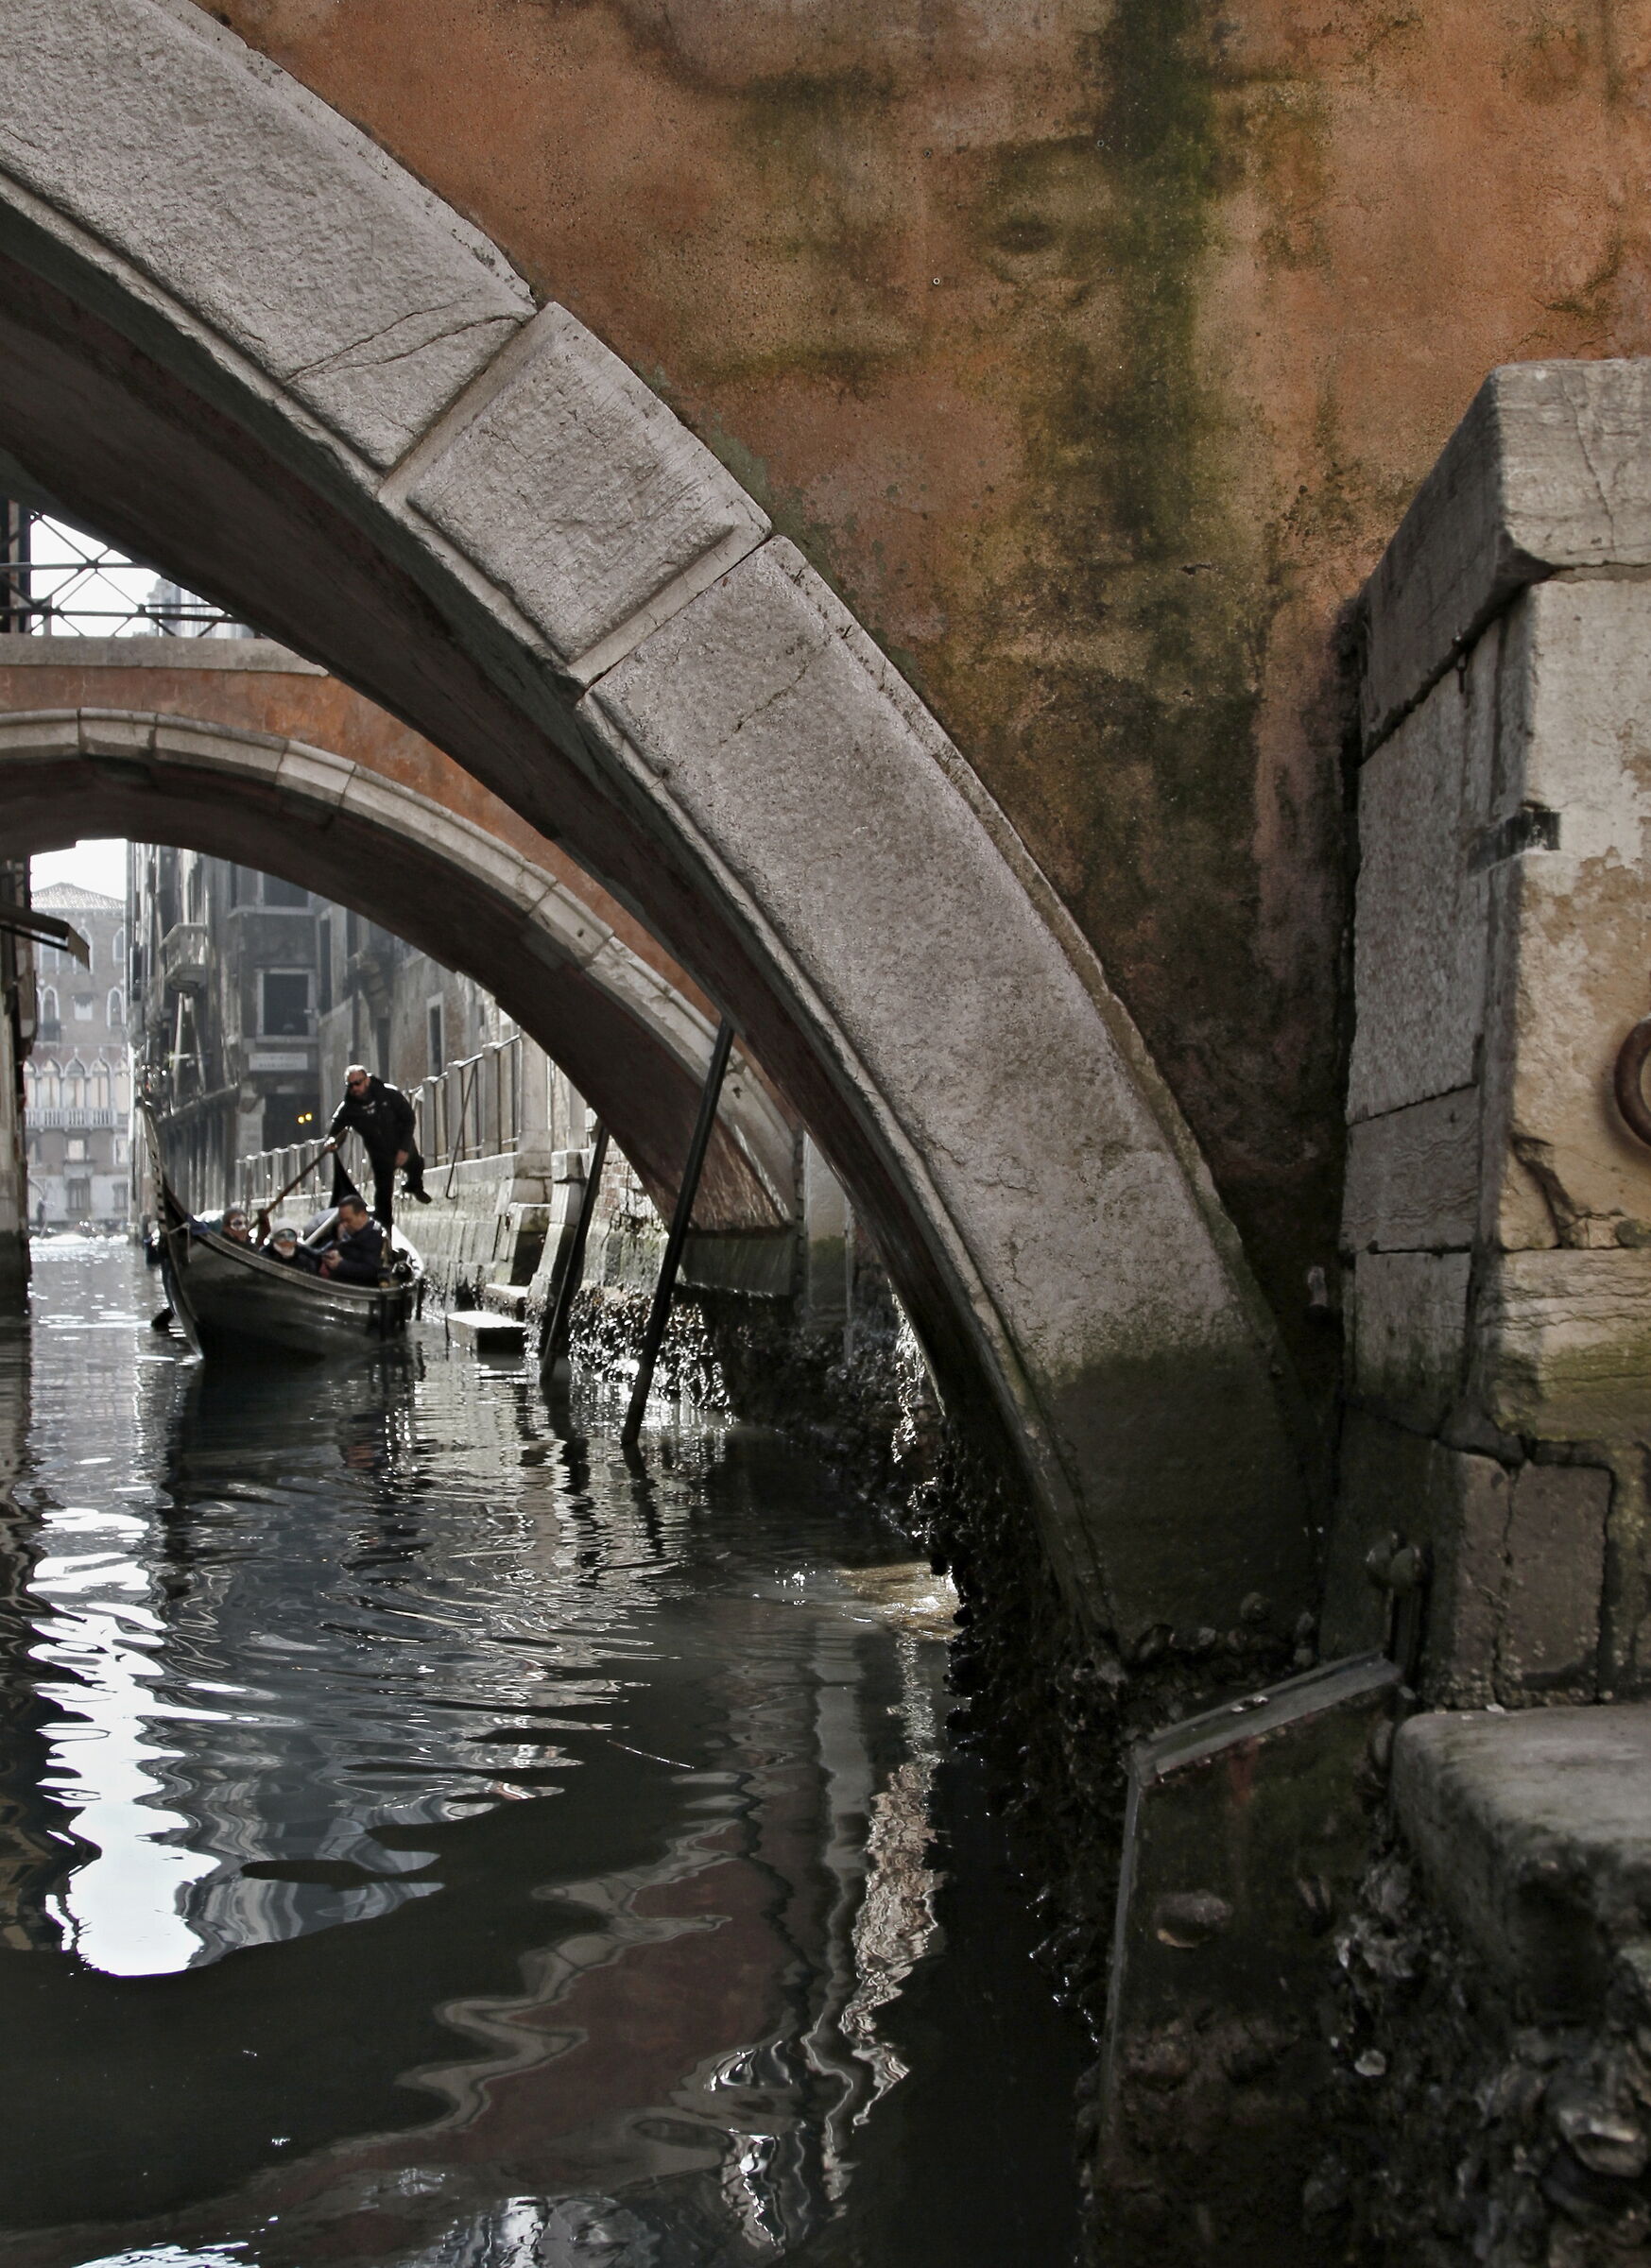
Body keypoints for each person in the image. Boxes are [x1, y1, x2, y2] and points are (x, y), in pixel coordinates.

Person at [325, 1063, 430, 1228]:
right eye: (350, 1085)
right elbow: (337, 1127)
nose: (354, 1088)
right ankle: (384, 1233)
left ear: (366, 1080)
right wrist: (331, 1141)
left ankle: (414, 1186)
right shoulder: (348, 1107)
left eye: (357, 1083)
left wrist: (403, 1148)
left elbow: (409, 1118)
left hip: (401, 1143)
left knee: (416, 1166)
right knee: (383, 1198)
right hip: (379, 1155)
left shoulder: (389, 1094)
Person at [315, 1194, 387, 1285]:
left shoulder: (373, 1236)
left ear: (362, 1216)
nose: (344, 1225)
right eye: (342, 1221)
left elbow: (372, 1270)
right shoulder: (355, 1232)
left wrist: (340, 1265)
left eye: (348, 1220)